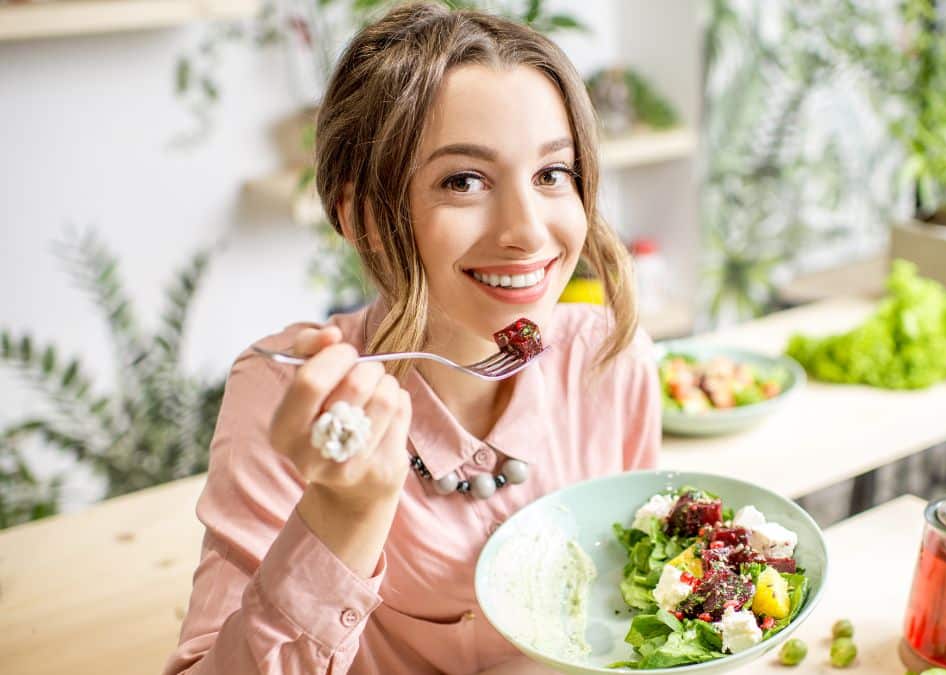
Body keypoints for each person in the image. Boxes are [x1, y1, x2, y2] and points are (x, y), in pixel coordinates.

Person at [162, 3, 661, 674]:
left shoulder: (610, 359)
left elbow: (637, 606)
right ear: (361, 215)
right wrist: (344, 515)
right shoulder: (290, 395)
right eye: (465, 180)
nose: (528, 230)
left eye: (552, 174)